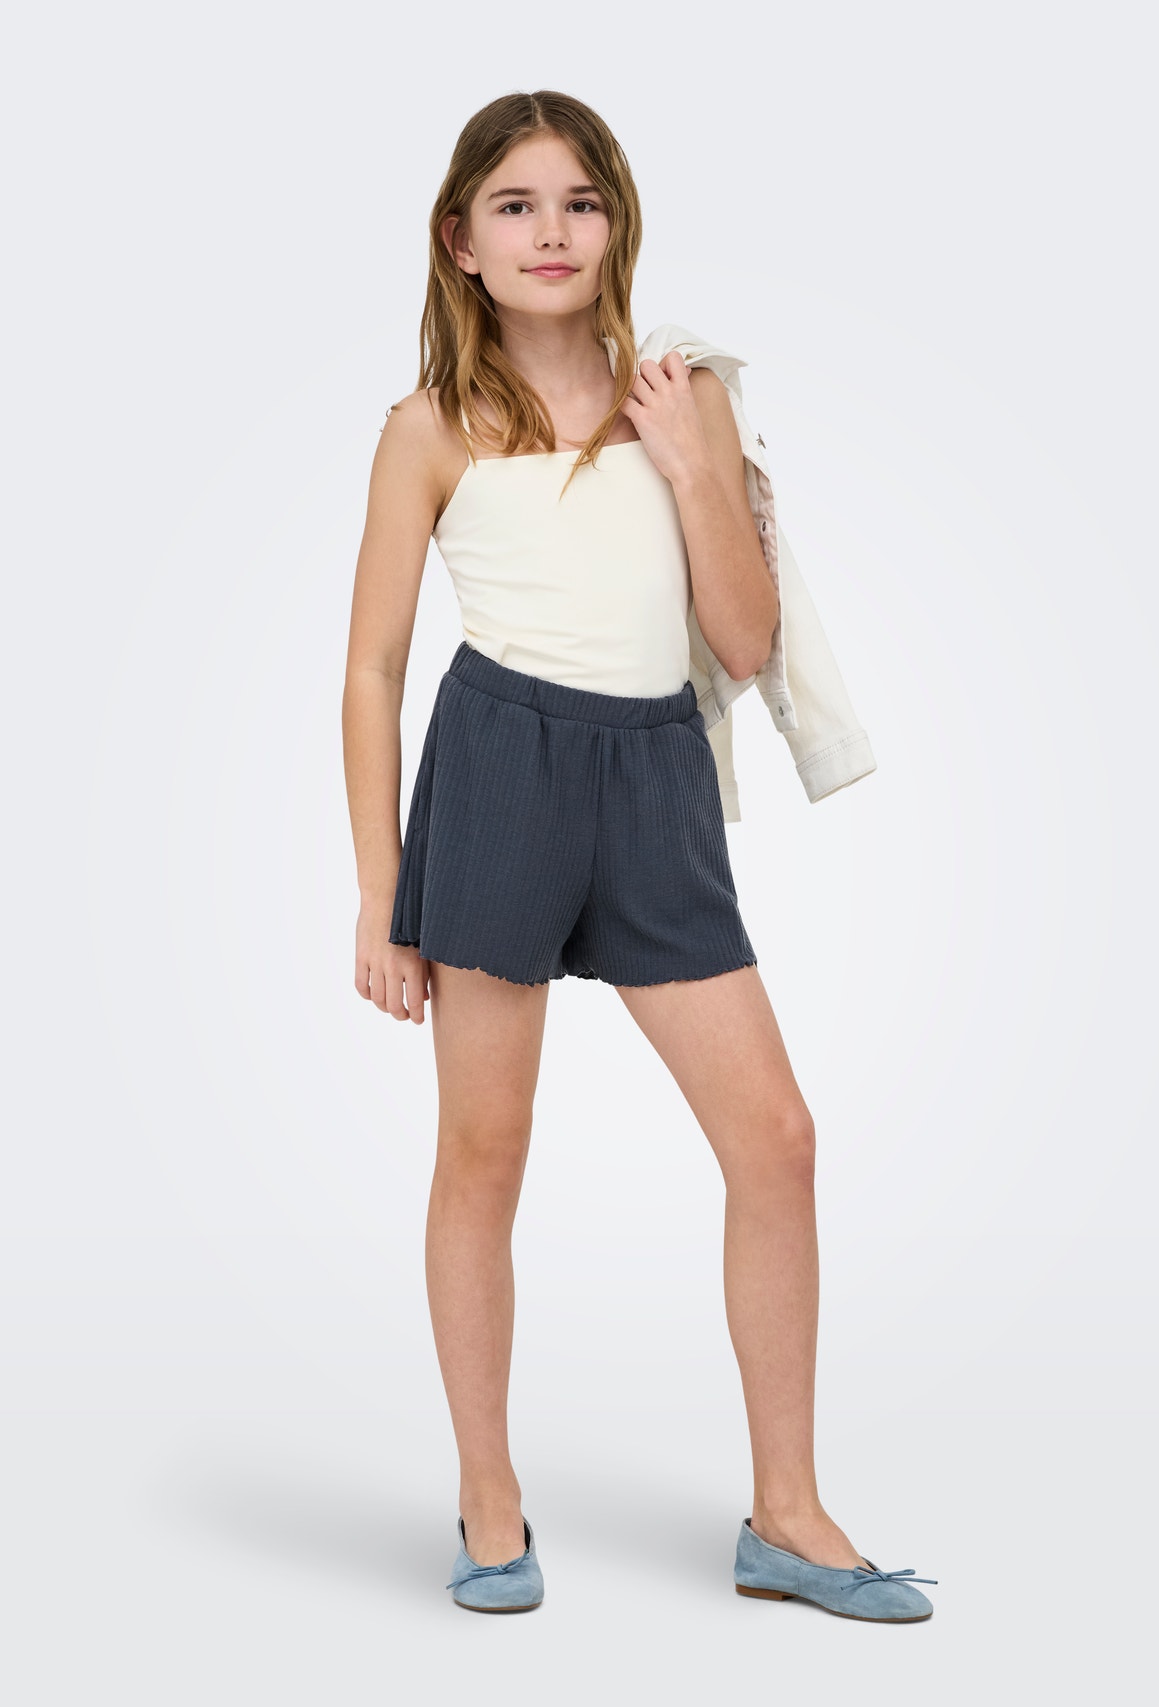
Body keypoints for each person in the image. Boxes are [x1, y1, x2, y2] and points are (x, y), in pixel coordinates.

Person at [341, 89, 936, 1622]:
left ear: (618, 225)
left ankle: (787, 1515)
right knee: (486, 1149)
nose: (552, 232)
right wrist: (380, 893)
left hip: (654, 776)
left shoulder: (683, 394)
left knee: (778, 1139)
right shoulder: (428, 430)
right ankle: (488, 1499)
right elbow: (374, 668)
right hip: (501, 772)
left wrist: (689, 463)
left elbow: (741, 639)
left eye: (581, 202)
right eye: (517, 205)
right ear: (460, 242)